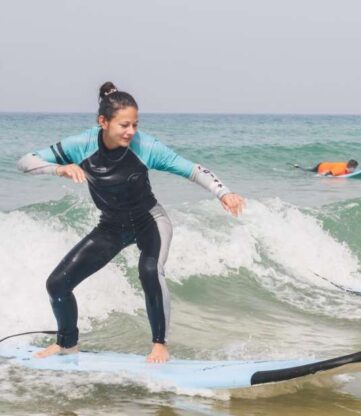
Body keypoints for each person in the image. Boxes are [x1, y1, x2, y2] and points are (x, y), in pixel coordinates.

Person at [16, 82, 245, 363]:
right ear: (103, 122)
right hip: (111, 226)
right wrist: (59, 168)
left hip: (150, 221)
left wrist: (224, 193)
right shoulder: (81, 145)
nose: (131, 131)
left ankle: (160, 345)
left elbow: (192, 169)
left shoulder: (145, 147)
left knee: (149, 270)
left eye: (135, 124)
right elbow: (26, 161)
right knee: (57, 284)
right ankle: (67, 344)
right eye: (124, 125)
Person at [291, 160, 358, 176]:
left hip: (324, 164)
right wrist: (320, 176)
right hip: (321, 167)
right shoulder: (340, 169)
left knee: (310, 170)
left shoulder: (346, 166)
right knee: (309, 171)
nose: (354, 169)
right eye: (354, 167)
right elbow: (329, 173)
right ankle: (297, 167)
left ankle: (298, 166)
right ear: (350, 166)